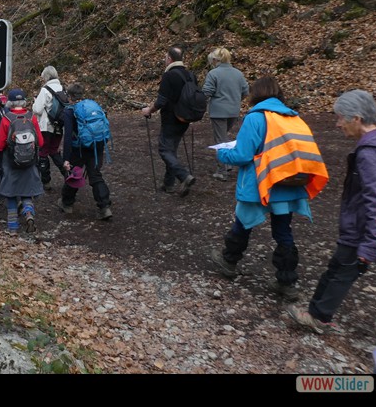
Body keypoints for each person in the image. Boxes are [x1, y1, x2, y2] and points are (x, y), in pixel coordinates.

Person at [209, 76, 329, 300]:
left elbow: (243, 154)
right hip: (288, 183)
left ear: (255, 94)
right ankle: (287, 280)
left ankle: (228, 261)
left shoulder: (255, 118)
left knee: (243, 222)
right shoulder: (293, 117)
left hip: (261, 182)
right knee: (283, 232)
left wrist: (221, 152)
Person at [288, 89, 376, 333]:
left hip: (363, 228)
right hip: (374, 228)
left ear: (356, 118)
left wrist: (370, 245)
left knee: (342, 270)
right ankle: (316, 313)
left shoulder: (370, 154)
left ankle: (318, 316)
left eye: (340, 118)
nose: (337, 123)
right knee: (340, 268)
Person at [140, 46, 197, 197]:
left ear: (169, 59)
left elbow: (161, 101)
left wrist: (148, 110)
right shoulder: (190, 74)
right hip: (185, 118)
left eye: (165, 58)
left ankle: (184, 176)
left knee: (164, 150)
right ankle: (168, 184)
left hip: (171, 119)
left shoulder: (169, 75)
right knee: (171, 150)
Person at [0, 88, 44, 235]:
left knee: (11, 194)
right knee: (27, 192)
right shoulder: (31, 117)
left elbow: (0, 144)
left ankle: (13, 228)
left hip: (11, 162)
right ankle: (29, 214)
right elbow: (40, 141)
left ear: (10, 102)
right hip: (30, 161)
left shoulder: (7, 119)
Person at [59, 83, 113, 221]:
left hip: (79, 149)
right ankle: (104, 206)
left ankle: (67, 203)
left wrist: (66, 158)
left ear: (69, 96)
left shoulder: (69, 111)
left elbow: (68, 136)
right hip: (96, 145)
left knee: (75, 173)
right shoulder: (93, 105)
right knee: (95, 175)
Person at [202, 47, 249, 181]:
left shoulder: (213, 73)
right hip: (233, 111)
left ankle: (222, 170)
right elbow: (246, 91)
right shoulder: (238, 74)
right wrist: (235, 100)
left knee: (220, 140)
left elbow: (207, 92)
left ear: (216, 60)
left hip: (218, 112)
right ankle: (227, 163)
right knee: (223, 137)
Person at [32, 65, 67, 191]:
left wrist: (35, 101)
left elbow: (37, 109)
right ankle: (67, 173)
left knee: (43, 152)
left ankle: (46, 181)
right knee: (54, 150)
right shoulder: (63, 89)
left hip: (46, 126)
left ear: (45, 76)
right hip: (60, 126)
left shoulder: (45, 90)